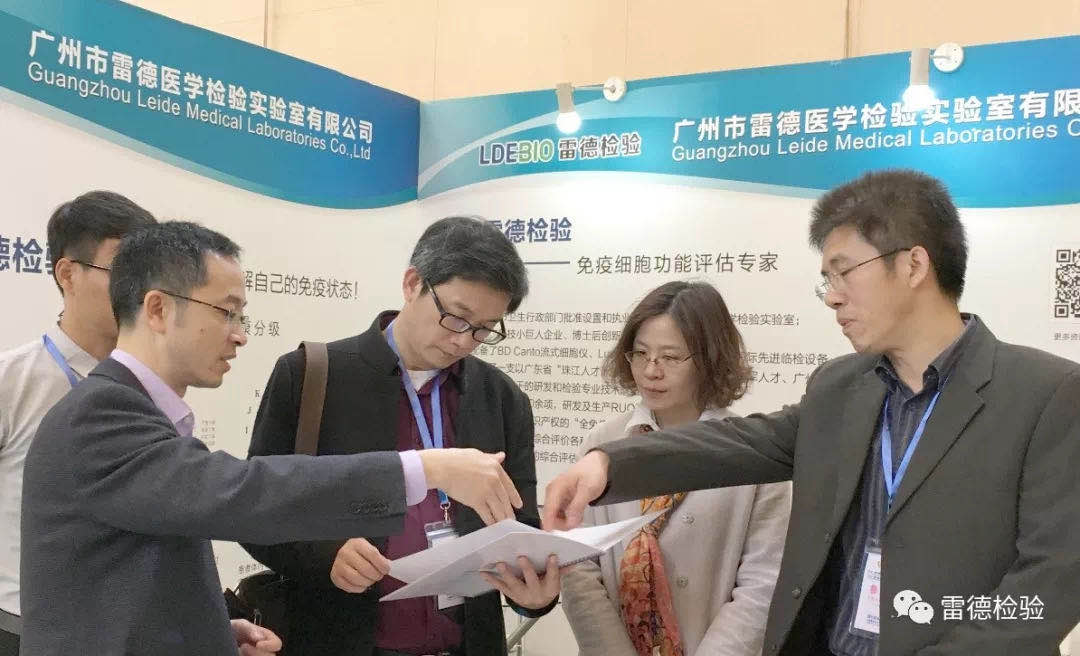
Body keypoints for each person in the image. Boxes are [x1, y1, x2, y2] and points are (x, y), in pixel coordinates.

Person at [543, 169, 1080, 656]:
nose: (832, 297)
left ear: (914, 265)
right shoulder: (841, 387)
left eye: (844, 272)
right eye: (827, 279)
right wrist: (609, 463)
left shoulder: (1044, 393)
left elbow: (1051, 586)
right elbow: (744, 442)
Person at [20, 221, 525, 656]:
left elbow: (137, 577)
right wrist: (425, 468)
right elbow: (243, 492)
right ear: (157, 309)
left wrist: (215, 631)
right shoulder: (101, 414)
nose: (240, 333)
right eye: (226, 312)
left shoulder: (138, 412)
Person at [242, 216, 559, 656]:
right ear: (413, 284)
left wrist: (534, 596)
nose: (464, 341)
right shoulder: (311, 376)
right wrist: (324, 553)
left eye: (485, 328)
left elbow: (518, 526)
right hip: (341, 640)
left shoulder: (501, 397)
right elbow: (255, 510)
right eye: (457, 318)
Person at [560, 281, 791, 656]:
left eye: (670, 357)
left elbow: (763, 582)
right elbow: (579, 567)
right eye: (640, 353)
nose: (651, 370)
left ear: (709, 359)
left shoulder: (752, 453)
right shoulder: (603, 443)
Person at [0, 191, 156, 656]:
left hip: (129, 629)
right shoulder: (12, 381)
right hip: (24, 628)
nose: (140, 291)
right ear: (68, 274)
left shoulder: (155, 388)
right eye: (123, 270)